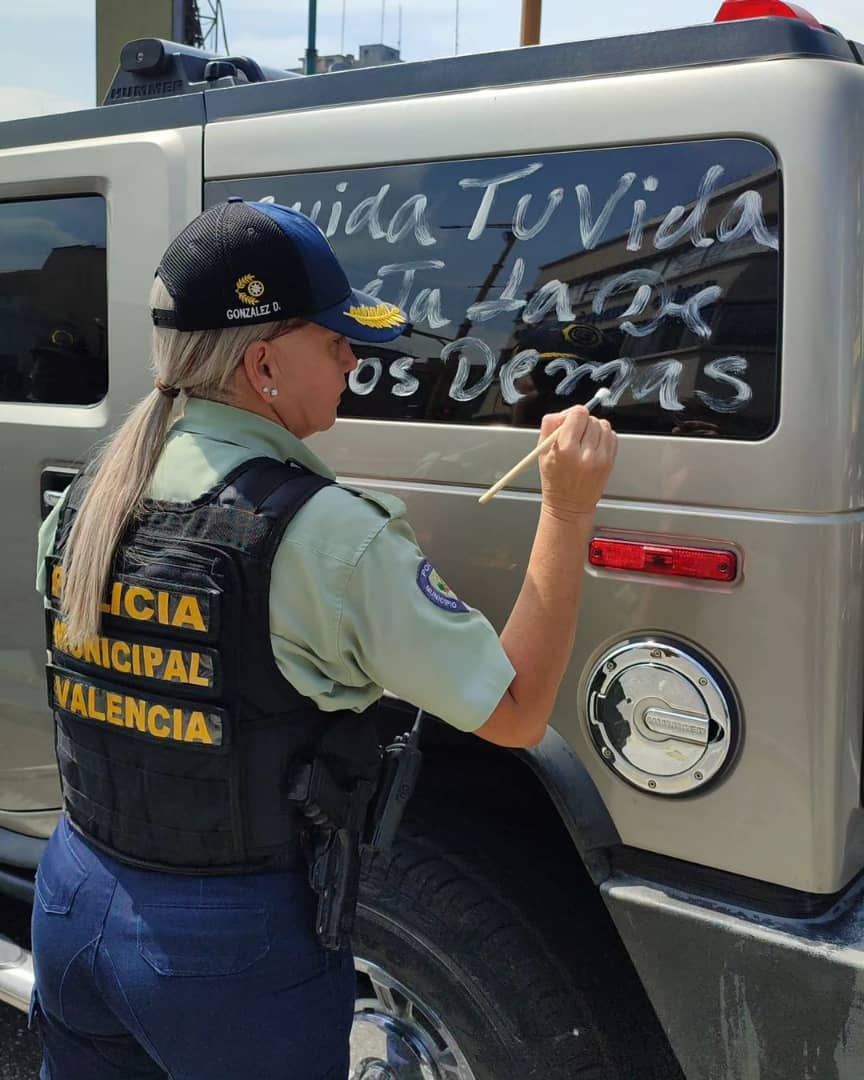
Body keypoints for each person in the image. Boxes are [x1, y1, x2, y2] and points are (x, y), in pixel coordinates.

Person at [30, 198, 617, 1080]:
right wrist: (568, 510)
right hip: (229, 959)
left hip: (74, 900)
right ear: (262, 363)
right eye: (335, 340)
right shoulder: (325, 536)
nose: (354, 357)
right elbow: (519, 710)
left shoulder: (90, 494)